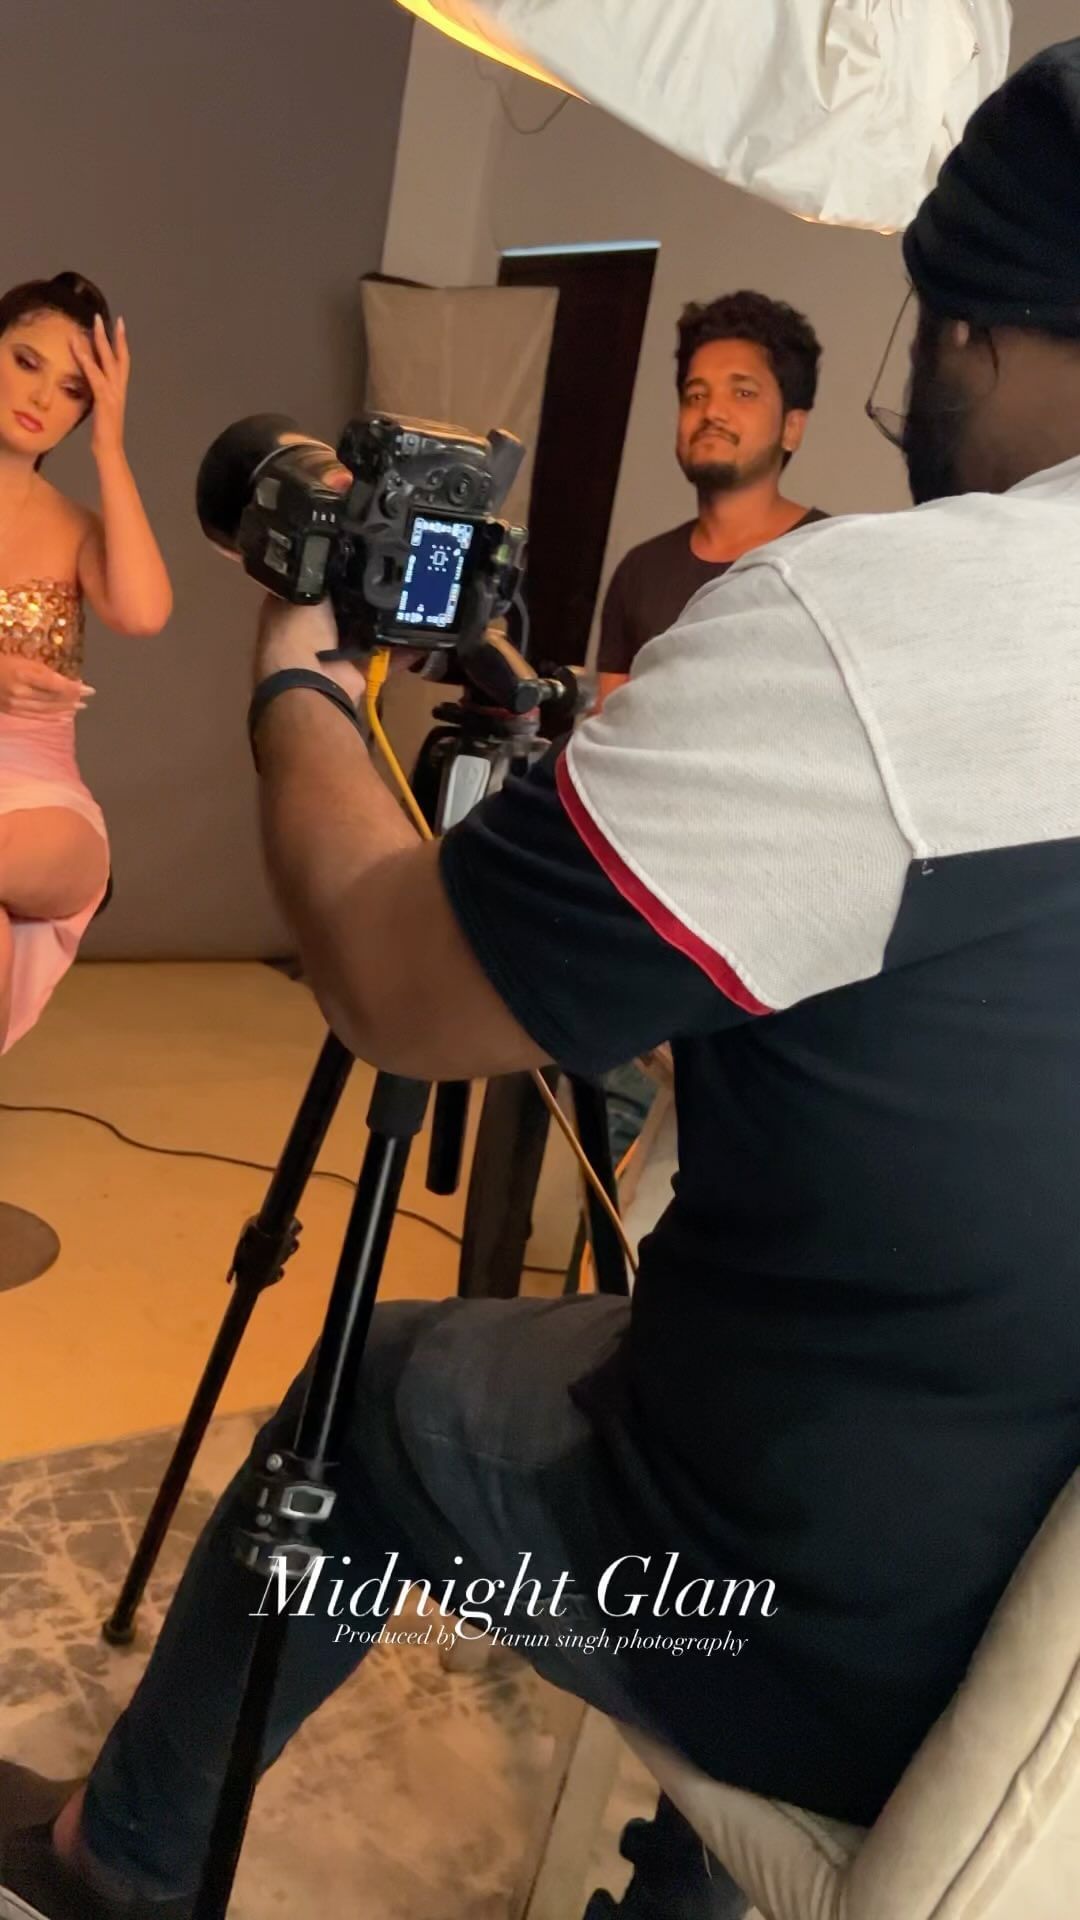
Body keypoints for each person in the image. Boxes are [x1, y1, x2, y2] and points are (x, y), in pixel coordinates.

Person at [5, 35, 1080, 1920]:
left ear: (979, 327)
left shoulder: (885, 626)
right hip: (1020, 1592)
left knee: (372, 1384)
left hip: (813, 1594)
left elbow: (396, 984)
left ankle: (129, 1859)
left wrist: (302, 684)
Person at [0, 272, 172, 1054]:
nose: (43, 397)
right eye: (25, 361)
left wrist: (110, 446)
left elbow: (143, 613)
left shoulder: (75, 527)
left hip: (41, 801)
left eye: (73, 389)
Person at [595, 289, 828, 710]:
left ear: (792, 428)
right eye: (696, 396)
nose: (712, 412)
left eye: (743, 393)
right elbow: (611, 724)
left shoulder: (829, 558)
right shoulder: (640, 571)